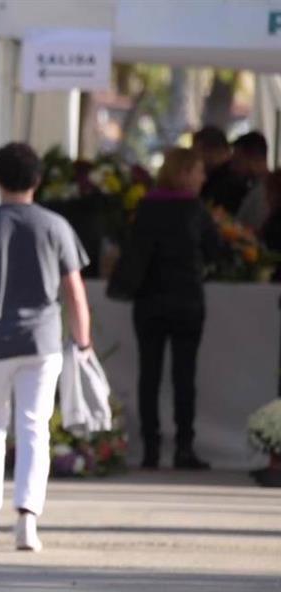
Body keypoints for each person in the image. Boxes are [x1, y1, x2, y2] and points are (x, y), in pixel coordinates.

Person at [0, 142, 91, 552]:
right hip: (42, 342)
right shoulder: (56, 227)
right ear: (38, 180)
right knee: (34, 427)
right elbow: (75, 294)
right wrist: (82, 342)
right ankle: (28, 519)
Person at [117, 148, 224, 469]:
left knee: (148, 375)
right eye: (199, 171)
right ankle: (184, 447)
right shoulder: (195, 210)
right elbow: (216, 251)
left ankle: (150, 448)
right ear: (184, 173)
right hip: (186, 301)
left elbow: (132, 251)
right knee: (183, 376)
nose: (204, 178)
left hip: (149, 302)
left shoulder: (147, 207)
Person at [232, 132, 271, 231]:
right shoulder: (256, 188)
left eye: (238, 161)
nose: (234, 167)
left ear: (254, 159)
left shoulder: (265, 193)